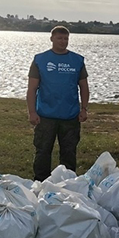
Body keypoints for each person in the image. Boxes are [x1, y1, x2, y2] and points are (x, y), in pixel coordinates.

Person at [26, 26, 89, 181]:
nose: (63, 41)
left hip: (70, 116)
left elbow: (84, 86)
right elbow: (32, 88)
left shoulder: (77, 60)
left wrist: (84, 109)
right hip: (45, 115)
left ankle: (67, 183)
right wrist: (32, 112)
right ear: (52, 39)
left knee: (69, 152)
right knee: (43, 151)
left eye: (66, 38)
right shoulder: (40, 60)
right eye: (59, 38)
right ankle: (40, 182)